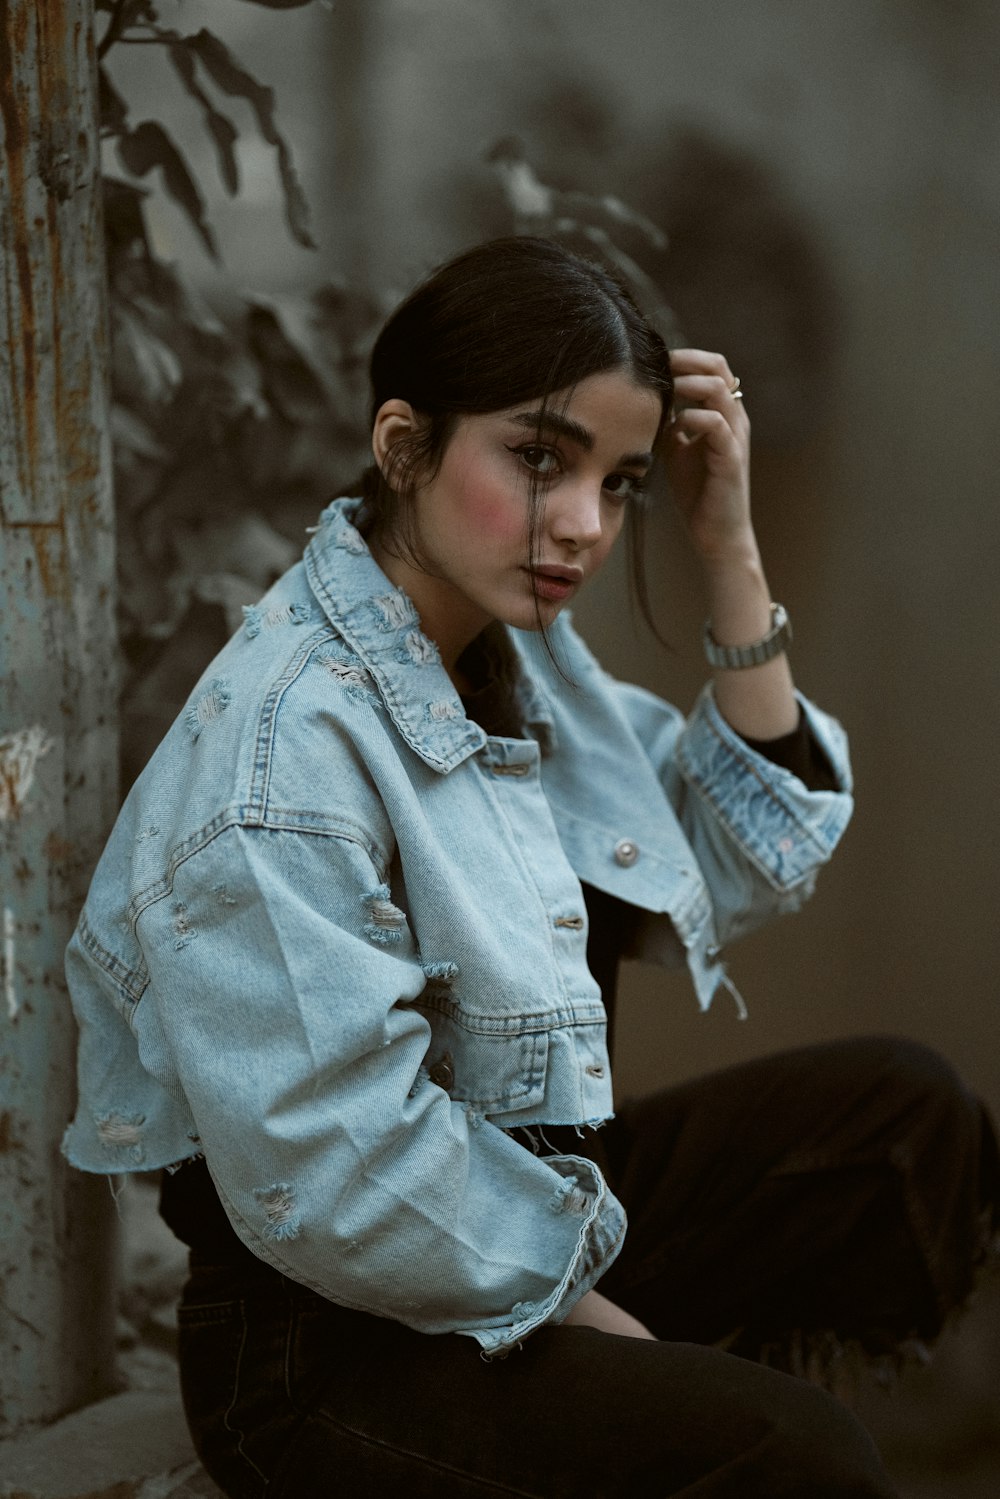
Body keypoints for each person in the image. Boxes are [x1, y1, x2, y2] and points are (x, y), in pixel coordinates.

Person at [63, 237, 997, 1497]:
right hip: (332, 1342)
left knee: (901, 1121)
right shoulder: (282, 751)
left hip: (528, 1203)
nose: (582, 525)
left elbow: (738, 853)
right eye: (539, 458)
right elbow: (342, 1172)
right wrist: (608, 1322)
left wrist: (726, 542)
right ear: (404, 446)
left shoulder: (508, 653)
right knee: (796, 1455)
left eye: (620, 483)